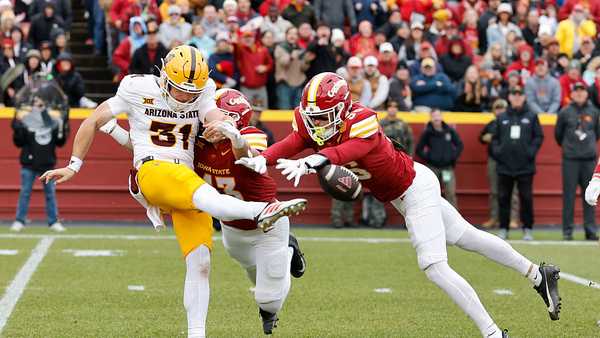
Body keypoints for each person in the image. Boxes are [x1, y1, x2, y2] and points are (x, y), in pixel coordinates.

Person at [236, 72, 562, 337]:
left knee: (433, 265)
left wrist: (312, 162)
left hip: (415, 187)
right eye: (313, 117)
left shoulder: (362, 120)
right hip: (402, 193)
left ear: (342, 109)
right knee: (466, 236)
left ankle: (492, 334)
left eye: (323, 116)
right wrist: (263, 159)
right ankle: (537, 274)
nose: (317, 123)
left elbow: (346, 153)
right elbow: (295, 141)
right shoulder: (311, 122)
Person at [40, 45, 307, 338]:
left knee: (201, 261)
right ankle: (261, 211)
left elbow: (212, 116)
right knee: (206, 196)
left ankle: (196, 334)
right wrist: (74, 165)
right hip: (153, 171)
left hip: (184, 180)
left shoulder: (202, 91)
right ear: (164, 75)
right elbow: (93, 120)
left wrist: (226, 126)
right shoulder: (135, 87)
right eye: (180, 90)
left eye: (192, 92)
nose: (186, 97)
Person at [107, 88, 308, 334]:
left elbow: (251, 156)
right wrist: (113, 130)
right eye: (211, 115)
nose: (211, 121)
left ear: (236, 121)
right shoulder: (195, 143)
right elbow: (148, 148)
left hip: (267, 223)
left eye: (221, 117)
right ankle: (276, 265)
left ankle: (286, 254)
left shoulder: (250, 136)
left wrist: (235, 138)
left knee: (268, 299)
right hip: (231, 226)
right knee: (252, 271)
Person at [10, 82, 69, 232]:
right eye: (36, 101)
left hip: (47, 163)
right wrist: (16, 126)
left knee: (50, 194)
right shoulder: (27, 118)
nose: (38, 104)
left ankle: (53, 221)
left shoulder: (51, 119)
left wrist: (64, 123)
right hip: (29, 163)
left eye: (41, 101)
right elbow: (19, 142)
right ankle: (19, 220)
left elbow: (60, 141)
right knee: (25, 193)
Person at [492, 86, 544, 241]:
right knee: (503, 198)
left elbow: (539, 137)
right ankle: (503, 228)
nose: (516, 97)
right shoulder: (502, 117)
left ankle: (527, 229)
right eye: (514, 94)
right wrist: (499, 153)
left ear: (524, 97)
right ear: (509, 97)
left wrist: (530, 153)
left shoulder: (532, 116)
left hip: (525, 166)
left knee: (526, 198)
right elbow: (494, 139)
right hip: (505, 166)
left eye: (519, 94)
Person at [555, 81, 600, 241]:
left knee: (591, 195)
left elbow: (597, 133)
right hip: (571, 160)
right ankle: (567, 231)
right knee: (568, 196)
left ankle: (590, 230)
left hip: (589, 160)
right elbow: (558, 135)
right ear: (572, 93)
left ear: (587, 93)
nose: (580, 93)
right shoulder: (565, 112)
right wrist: (570, 148)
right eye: (577, 90)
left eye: (582, 90)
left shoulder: (594, 111)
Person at [362, 99, 414, 228]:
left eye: (395, 106)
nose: (392, 108)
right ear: (387, 109)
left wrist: (409, 156)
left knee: (406, 193)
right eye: (390, 106)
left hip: (400, 162)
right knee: (378, 192)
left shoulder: (403, 125)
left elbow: (410, 142)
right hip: (383, 163)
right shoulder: (380, 123)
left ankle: (409, 222)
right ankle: (377, 220)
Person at [479, 99, 520, 229]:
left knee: (512, 191)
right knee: (494, 191)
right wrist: (489, 137)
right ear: (493, 110)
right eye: (497, 108)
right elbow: (481, 137)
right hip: (494, 160)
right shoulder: (491, 124)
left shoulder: (512, 122)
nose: (500, 110)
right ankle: (494, 217)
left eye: (502, 108)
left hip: (510, 160)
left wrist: (494, 137)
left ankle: (513, 219)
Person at [416, 109, 463, 208]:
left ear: (441, 117)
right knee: (432, 193)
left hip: (447, 169)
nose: (436, 118)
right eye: (434, 116)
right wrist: (430, 158)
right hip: (433, 169)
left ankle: (453, 220)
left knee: (450, 192)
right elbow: (419, 149)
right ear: (431, 118)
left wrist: (452, 157)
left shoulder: (449, 131)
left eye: (438, 115)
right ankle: (432, 217)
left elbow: (459, 145)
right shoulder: (427, 132)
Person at [235, 29, 273, 111]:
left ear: (254, 38)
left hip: (261, 87)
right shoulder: (241, 50)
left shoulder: (263, 50)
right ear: (242, 39)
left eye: (250, 37)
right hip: (246, 88)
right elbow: (235, 46)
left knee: (262, 112)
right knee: (246, 111)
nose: (248, 39)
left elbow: (270, 64)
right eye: (245, 37)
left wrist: (265, 68)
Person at [274, 26, 307, 109]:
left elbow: (303, 68)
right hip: (284, 84)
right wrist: (291, 57)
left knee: (298, 112)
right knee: (284, 112)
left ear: (298, 37)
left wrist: (307, 61)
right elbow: (283, 63)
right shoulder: (280, 48)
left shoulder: (301, 49)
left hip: (298, 84)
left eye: (295, 34)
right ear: (286, 35)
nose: (292, 36)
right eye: (290, 33)